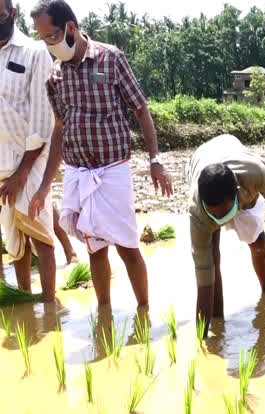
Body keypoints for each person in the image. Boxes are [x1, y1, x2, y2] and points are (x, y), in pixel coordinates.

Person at [27, 0, 173, 308]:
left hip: (113, 170)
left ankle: (143, 310)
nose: (49, 44)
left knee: (128, 246)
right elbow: (59, 130)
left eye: (52, 36)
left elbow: (141, 109)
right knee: (95, 249)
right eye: (43, 39)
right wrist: (44, 187)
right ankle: (104, 312)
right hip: (78, 173)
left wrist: (155, 160)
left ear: (70, 28)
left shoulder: (110, 59)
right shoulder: (55, 76)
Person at [186, 134, 265, 331]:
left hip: (232, 152)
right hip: (200, 161)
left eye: (225, 212)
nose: (222, 219)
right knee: (212, 258)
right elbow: (204, 275)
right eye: (216, 215)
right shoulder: (197, 211)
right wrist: (203, 336)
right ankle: (217, 317)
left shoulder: (254, 174)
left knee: (256, 240)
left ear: (237, 192)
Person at [0, 0, 56, 301]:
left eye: (1, 17)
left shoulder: (34, 53)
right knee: (14, 241)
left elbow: (43, 120)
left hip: (30, 161)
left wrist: (22, 173)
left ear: (14, 14)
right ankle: (23, 300)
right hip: (0, 160)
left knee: (41, 234)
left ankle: (48, 309)